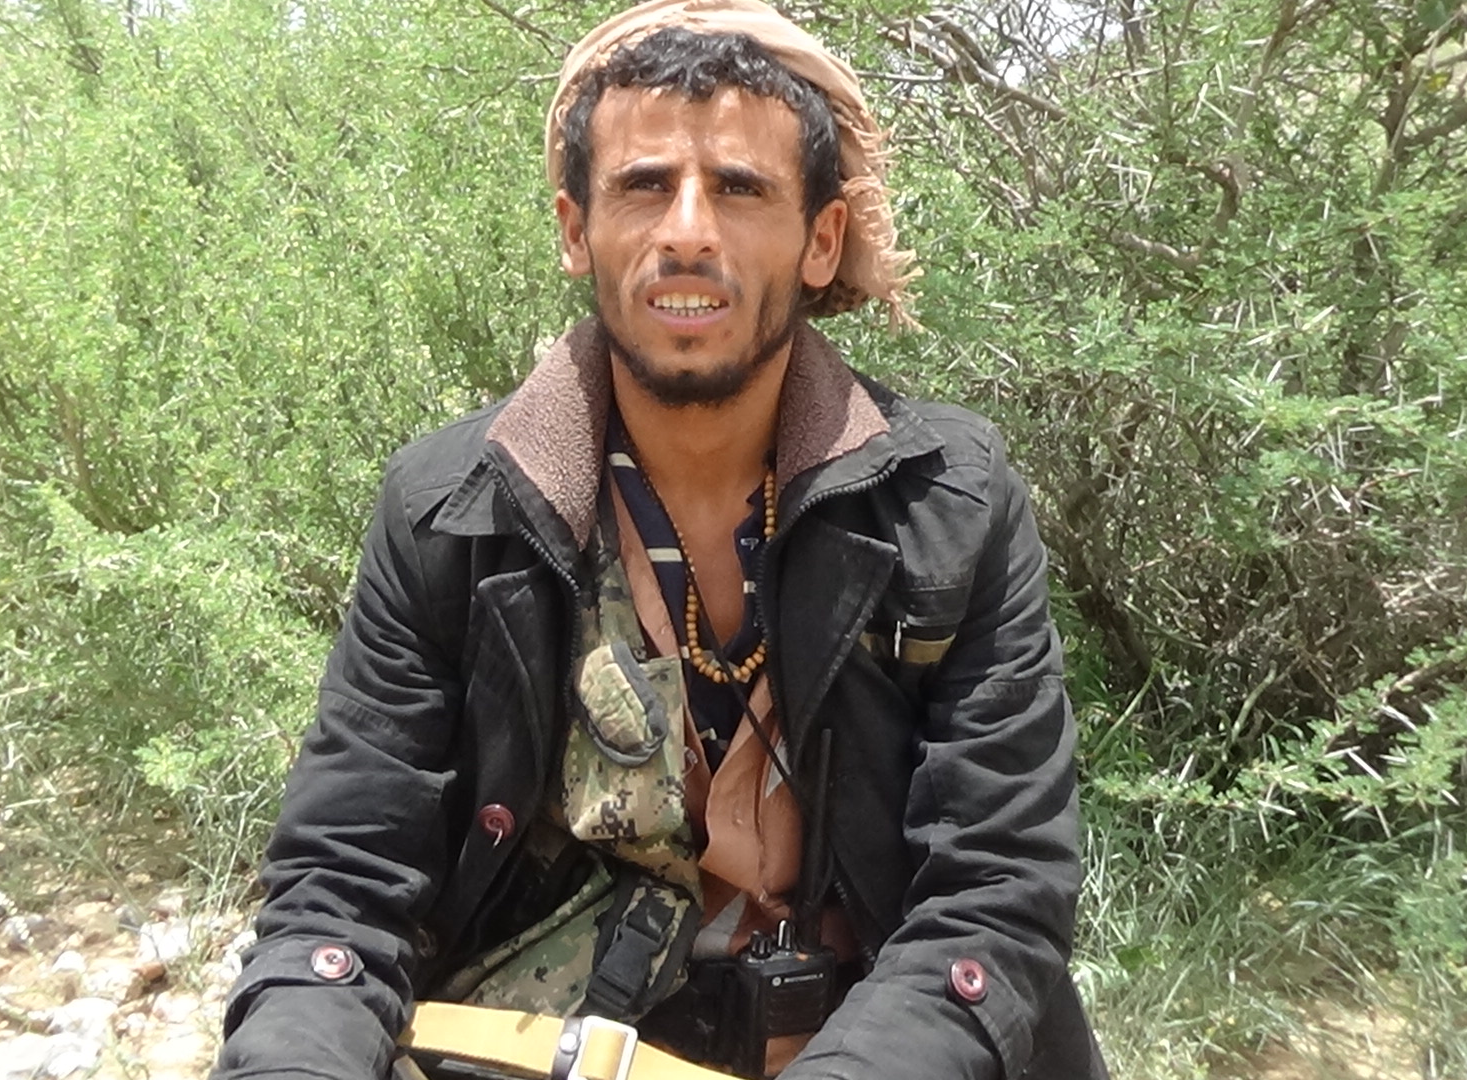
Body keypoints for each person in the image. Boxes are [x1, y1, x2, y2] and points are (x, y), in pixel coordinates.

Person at [211, 2, 1105, 1078]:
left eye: (740, 188)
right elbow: (341, 890)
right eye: (644, 186)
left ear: (821, 241)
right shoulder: (451, 513)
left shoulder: (948, 505)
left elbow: (994, 893)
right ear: (574, 229)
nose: (688, 230)